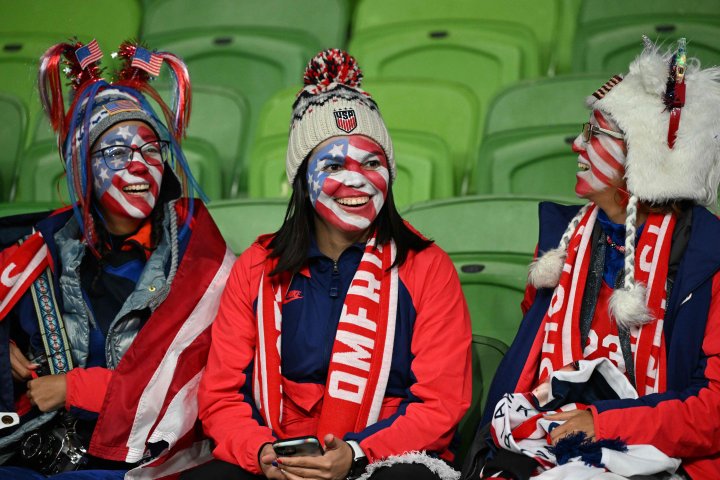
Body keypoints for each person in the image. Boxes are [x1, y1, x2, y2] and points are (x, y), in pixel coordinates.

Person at [180, 49, 472, 480]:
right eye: (334, 164)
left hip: (386, 455)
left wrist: (356, 453)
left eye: (371, 162)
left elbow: (440, 403)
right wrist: (262, 453)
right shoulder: (258, 268)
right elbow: (222, 398)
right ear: (302, 179)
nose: (355, 180)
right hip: (280, 455)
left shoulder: (427, 265)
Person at [462, 38, 720, 480]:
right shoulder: (561, 243)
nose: (577, 146)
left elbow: (712, 410)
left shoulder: (707, 258)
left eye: (595, 134)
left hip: (664, 460)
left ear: (645, 155)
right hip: (551, 441)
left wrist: (603, 424)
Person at [0, 39, 234, 479]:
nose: (140, 166)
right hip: (39, 455)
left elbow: (195, 388)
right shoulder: (40, 245)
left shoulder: (198, 260)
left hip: (146, 459)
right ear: (81, 168)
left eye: (150, 150)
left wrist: (75, 389)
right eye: (117, 153)